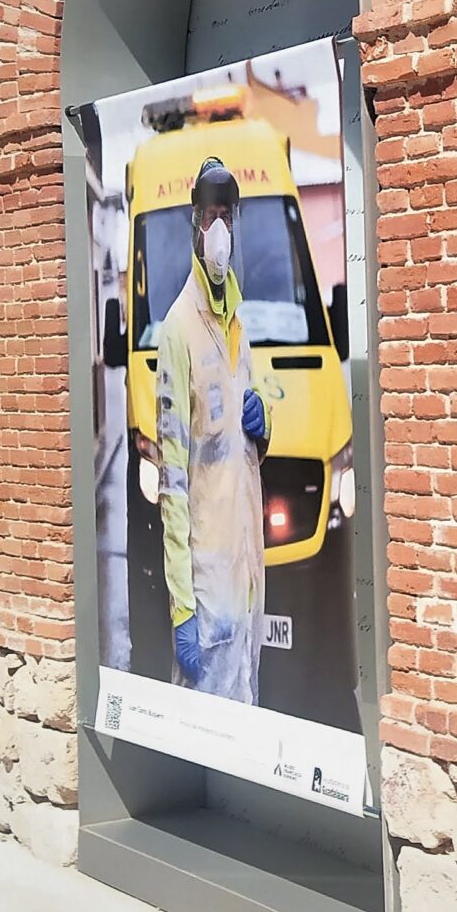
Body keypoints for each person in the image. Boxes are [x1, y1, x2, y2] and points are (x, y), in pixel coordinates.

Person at [156, 158, 271, 703]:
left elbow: (233, 450)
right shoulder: (178, 331)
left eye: (226, 216)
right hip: (208, 587)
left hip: (245, 572)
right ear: (195, 224)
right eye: (209, 216)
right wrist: (183, 605)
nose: (219, 229)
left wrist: (262, 434)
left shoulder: (238, 324)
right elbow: (173, 482)